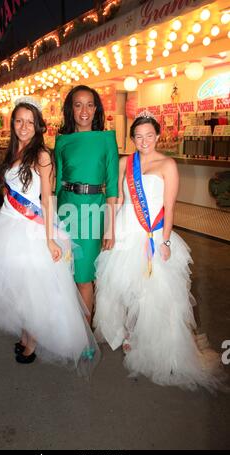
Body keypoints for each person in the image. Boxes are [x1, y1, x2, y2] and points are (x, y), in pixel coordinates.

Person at [0, 97, 99, 375]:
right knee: (18, 288)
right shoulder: (12, 152)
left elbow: (48, 200)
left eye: (29, 122)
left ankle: (32, 343)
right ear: (13, 123)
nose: (24, 126)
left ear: (38, 126)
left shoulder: (42, 155)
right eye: (19, 121)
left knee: (33, 292)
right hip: (7, 224)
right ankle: (26, 336)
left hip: (31, 229)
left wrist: (50, 238)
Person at [93, 112, 226, 391]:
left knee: (153, 292)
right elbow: (115, 199)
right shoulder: (124, 163)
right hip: (126, 230)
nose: (144, 141)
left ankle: (152, 341)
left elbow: (170, 207)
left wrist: (164, 241)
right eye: (138, 136)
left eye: (149, 135)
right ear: (132, 138)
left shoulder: (168, 164)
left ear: (157, 135)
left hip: (152, 234)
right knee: (122, 287)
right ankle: (129, 332)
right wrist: (110, 230)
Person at [55, 85, 119, 323]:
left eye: (90, 104)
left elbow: (112, 187)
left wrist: (110, 227)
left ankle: (84, 335)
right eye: (78, 104)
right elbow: (56, 185)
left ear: (96, 109)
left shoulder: (106, 139)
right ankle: (68, 327)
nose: (84, 110)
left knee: (84, 275)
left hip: (93, 211)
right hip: (65, 209)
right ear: (70, 109)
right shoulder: (62, 141)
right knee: (63, 272)